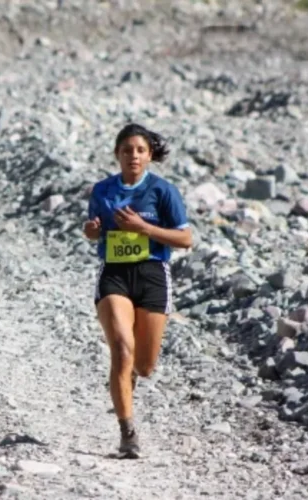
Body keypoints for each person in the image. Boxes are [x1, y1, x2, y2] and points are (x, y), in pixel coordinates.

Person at [83, 123, 193, 458]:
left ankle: (127, 378)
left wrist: (144, 227)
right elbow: (93, 233)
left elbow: (186, 239)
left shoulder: (163, 191)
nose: (133, 155)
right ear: (117, 154)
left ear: (149, 156)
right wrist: (90, 230)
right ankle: (127, 432)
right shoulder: (102, 191)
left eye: (140, 150)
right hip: (114, 274)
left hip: (152, 275)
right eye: (127, 150)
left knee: (143, 366)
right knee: (120, 347)